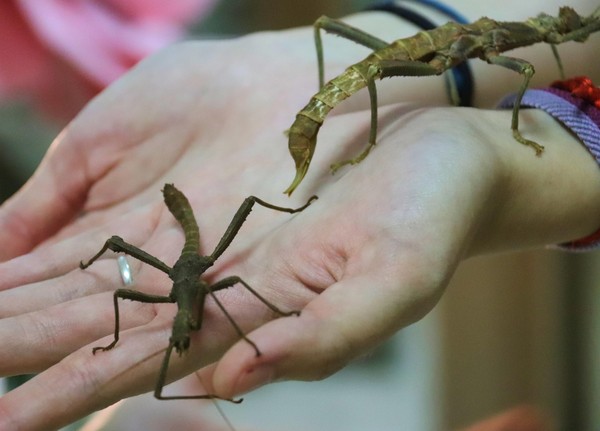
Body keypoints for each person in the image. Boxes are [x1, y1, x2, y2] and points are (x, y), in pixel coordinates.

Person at [0, 1, 598, 429]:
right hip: (416, 51)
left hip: (195, 249)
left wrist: (510, 157)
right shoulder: (201, 284)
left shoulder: (199, 284)